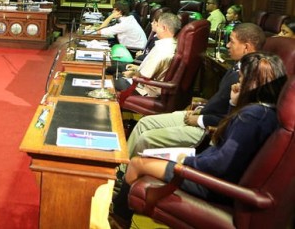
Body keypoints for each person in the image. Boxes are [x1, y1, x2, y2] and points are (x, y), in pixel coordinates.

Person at [113, 51, 286, 223]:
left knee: (137, 163)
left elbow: (220, 164)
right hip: (215, 176)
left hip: (211, 183)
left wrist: (186, 161)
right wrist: (233, 103)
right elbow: (227, 137)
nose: (237, 83)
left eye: (241, 79)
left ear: (252, 83)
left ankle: (120, 219)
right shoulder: (267, 113)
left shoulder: (252, 116)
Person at [122, 23, 266, 163]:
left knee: (146, 138)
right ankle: (121, 167)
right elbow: (219, 102)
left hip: (207, 129)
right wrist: (200, 109)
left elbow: (231, 119)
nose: (227, 45)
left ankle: (129, 173)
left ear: (246, 47)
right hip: (201, 114)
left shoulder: (250, 79)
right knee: (144, 123)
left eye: (232, 41)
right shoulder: (237, 66)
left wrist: (199, 120)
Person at [119, 12, 180, 97]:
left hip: (147, 90)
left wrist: (132, 74)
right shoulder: (173, 44)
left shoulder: (162, 49)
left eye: (157, 25)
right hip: (155, 87)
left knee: (115, 80)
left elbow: (144, 75)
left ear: (164, 28)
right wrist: (137, 68)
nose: (155, 27)